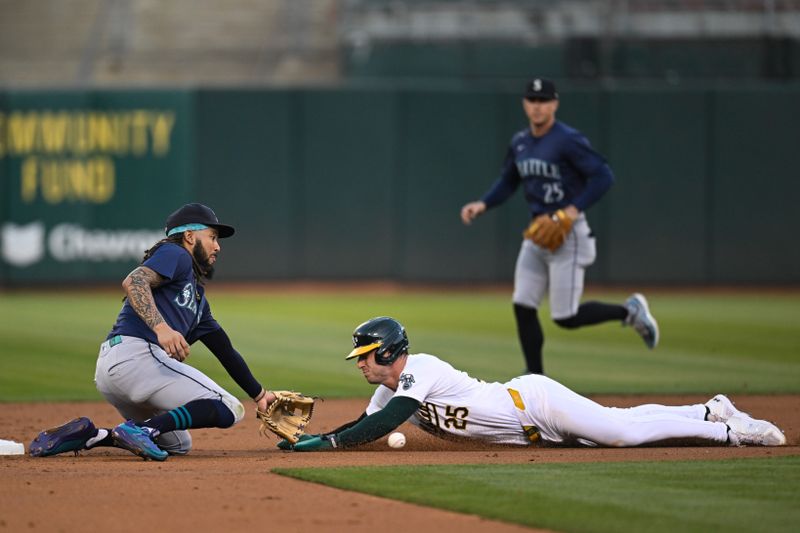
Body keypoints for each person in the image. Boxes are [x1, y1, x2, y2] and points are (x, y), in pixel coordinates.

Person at [286, 317, 786, 451]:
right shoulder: (391, 389)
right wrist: (311, 439)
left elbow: (387, 423)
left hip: (533, 403)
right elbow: (368, 421)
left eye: (367, 355)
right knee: (621, 423)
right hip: (533, 428)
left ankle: (729, 432)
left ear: (391, 352)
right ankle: (708, 409)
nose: (361, 364)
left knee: (619, 434)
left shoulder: (422, 370)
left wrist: (326, 443)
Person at [30, 203, 277, 461]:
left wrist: (259, 395)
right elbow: (134, 281)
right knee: (230, 407)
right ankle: (141, 430)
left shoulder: (197, 301)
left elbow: (224, 350)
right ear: (190, 236)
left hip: (114, 371)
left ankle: (92, 435)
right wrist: (162, 328)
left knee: (178, 444)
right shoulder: (177, 253)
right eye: (212, 237)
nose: (218, 246)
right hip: (136, 356)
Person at [460, 77, 658, 375]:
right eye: (532, 100)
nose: (537, 107)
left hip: (570, 233)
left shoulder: (568, 139)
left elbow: (603, 176)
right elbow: (508, 180)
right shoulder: (520, 142)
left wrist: (572, 210)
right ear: (525, 104)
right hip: (538, 231)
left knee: (566, 317)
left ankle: (629, 312)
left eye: (543, 101)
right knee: (522, 304)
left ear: (554, 103)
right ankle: (534, 379)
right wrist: (484, 203)